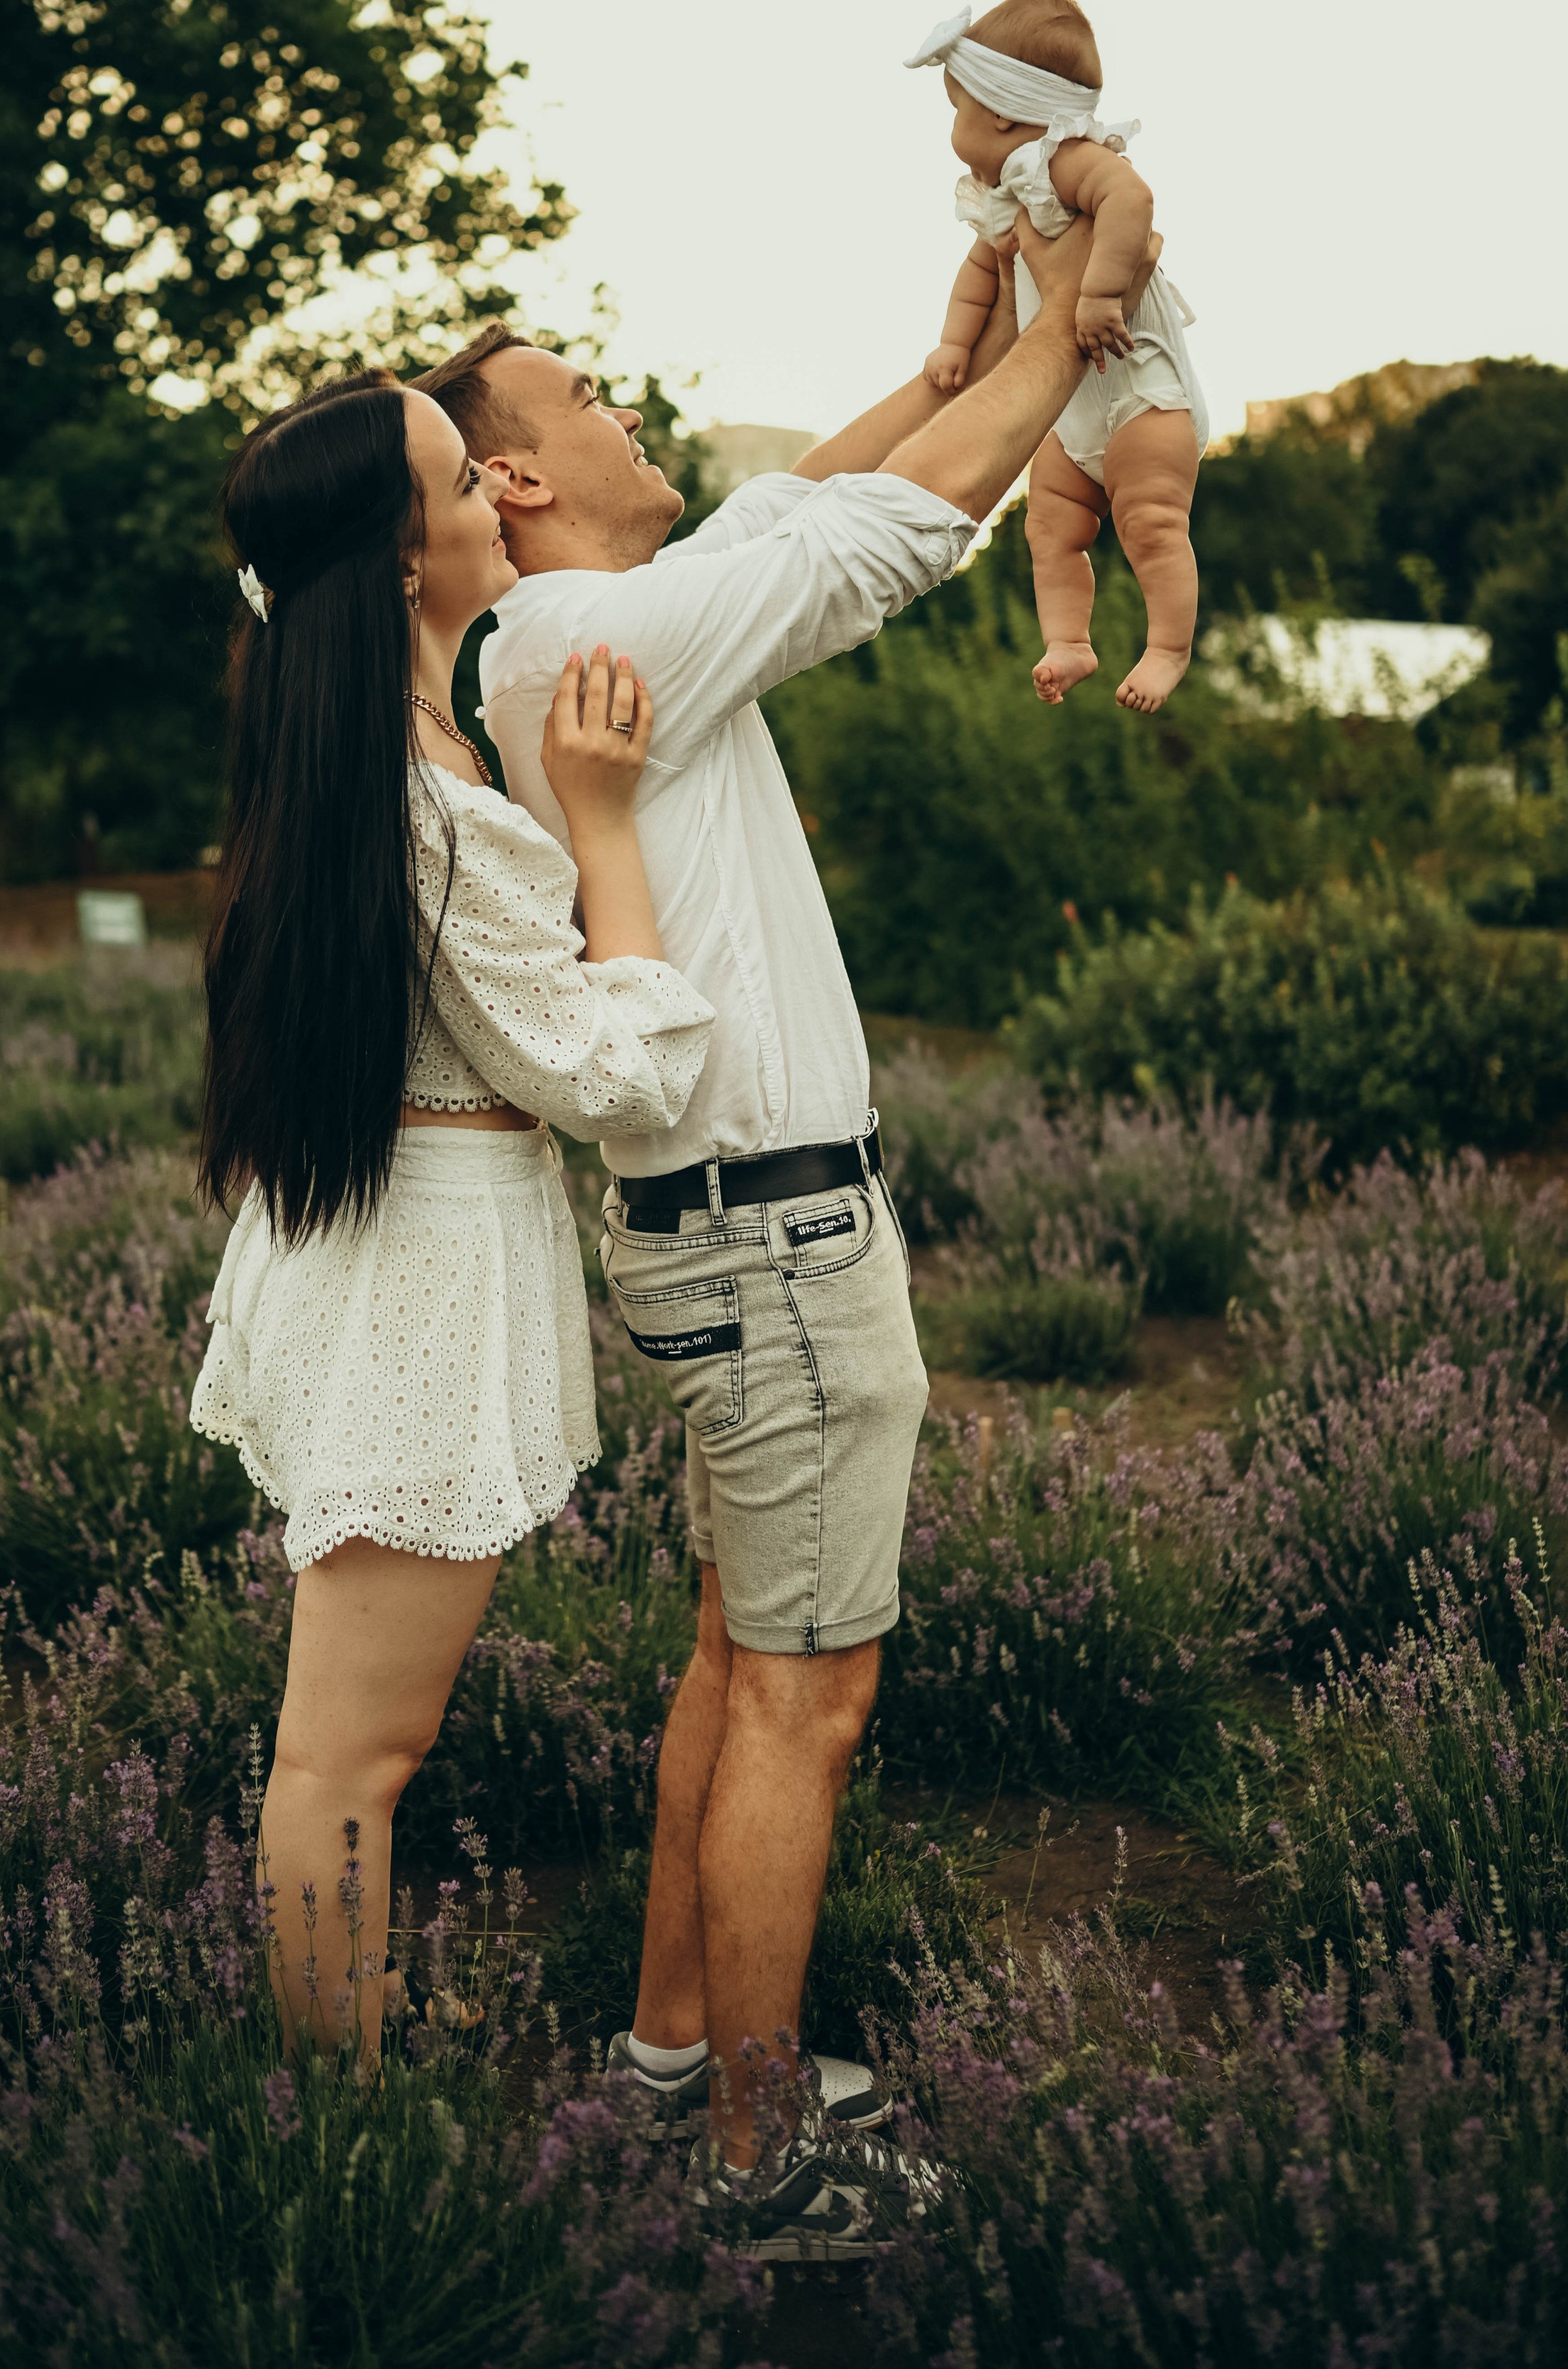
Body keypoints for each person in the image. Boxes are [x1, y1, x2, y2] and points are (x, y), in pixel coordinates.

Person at [413, 212, 1123, 2253]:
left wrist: (962, 343)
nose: (626, 406)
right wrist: (1078, 336)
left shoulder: (607, 625)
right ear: (520, 479)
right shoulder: (577, 641)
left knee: (742, 1658)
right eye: (581, 400)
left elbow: (799, 502)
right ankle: (756, 2163)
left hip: (736, 1236)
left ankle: (663, 2064)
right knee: (809, 1692)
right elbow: (875, 533)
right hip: (778, 1251)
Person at [188, 372, 713, 2059]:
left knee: (346, 1744)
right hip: (419, 1275)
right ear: (404, 554)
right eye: (453, 471)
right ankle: (334, 2112)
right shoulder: (428, 804)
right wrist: (609, 825)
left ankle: (345, 2016)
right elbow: (609, 1077)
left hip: (376, 1243)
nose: (495, 483)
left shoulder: (377, 759)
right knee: (352, 1753)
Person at [908, 0, 1210, 712]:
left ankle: (1168, 648)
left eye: (960, 111)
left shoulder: (1064, 161)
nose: (954, 129)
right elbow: (981, 275)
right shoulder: (1005, 197)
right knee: (1048, 526)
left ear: (1005, 117)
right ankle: (1068, 641)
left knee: (1151, 521)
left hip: (1142, 391)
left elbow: (1130, 202)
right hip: (1075, 413)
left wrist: (1100, 295)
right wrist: (955, 343)